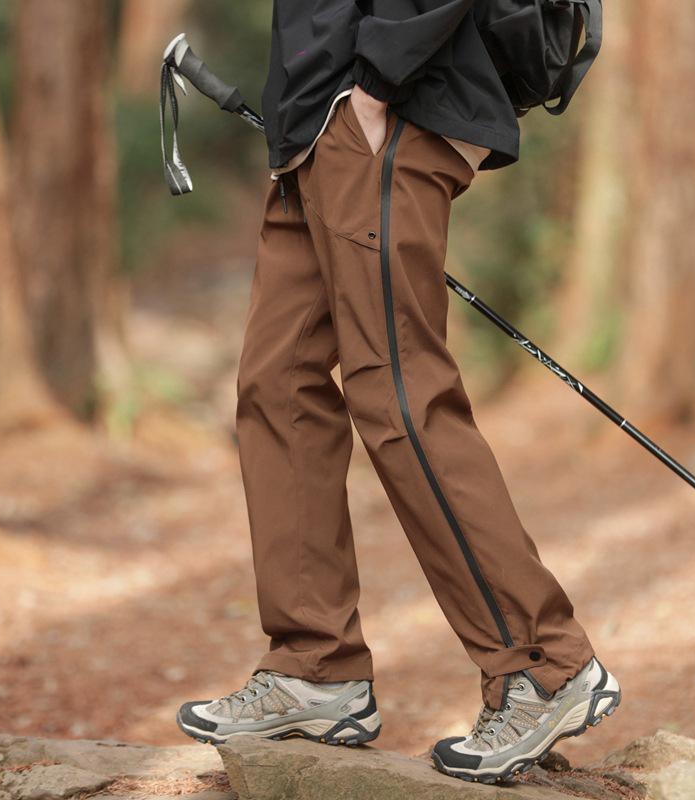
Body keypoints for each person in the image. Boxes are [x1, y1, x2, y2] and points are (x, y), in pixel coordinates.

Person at [177, 0, 621, 783]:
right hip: (314, 121)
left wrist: (377, 82)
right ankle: (316, 670)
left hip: (388, 105)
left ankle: (543, 665)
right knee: (276, 383)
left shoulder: (379, 97)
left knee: (399, 395)